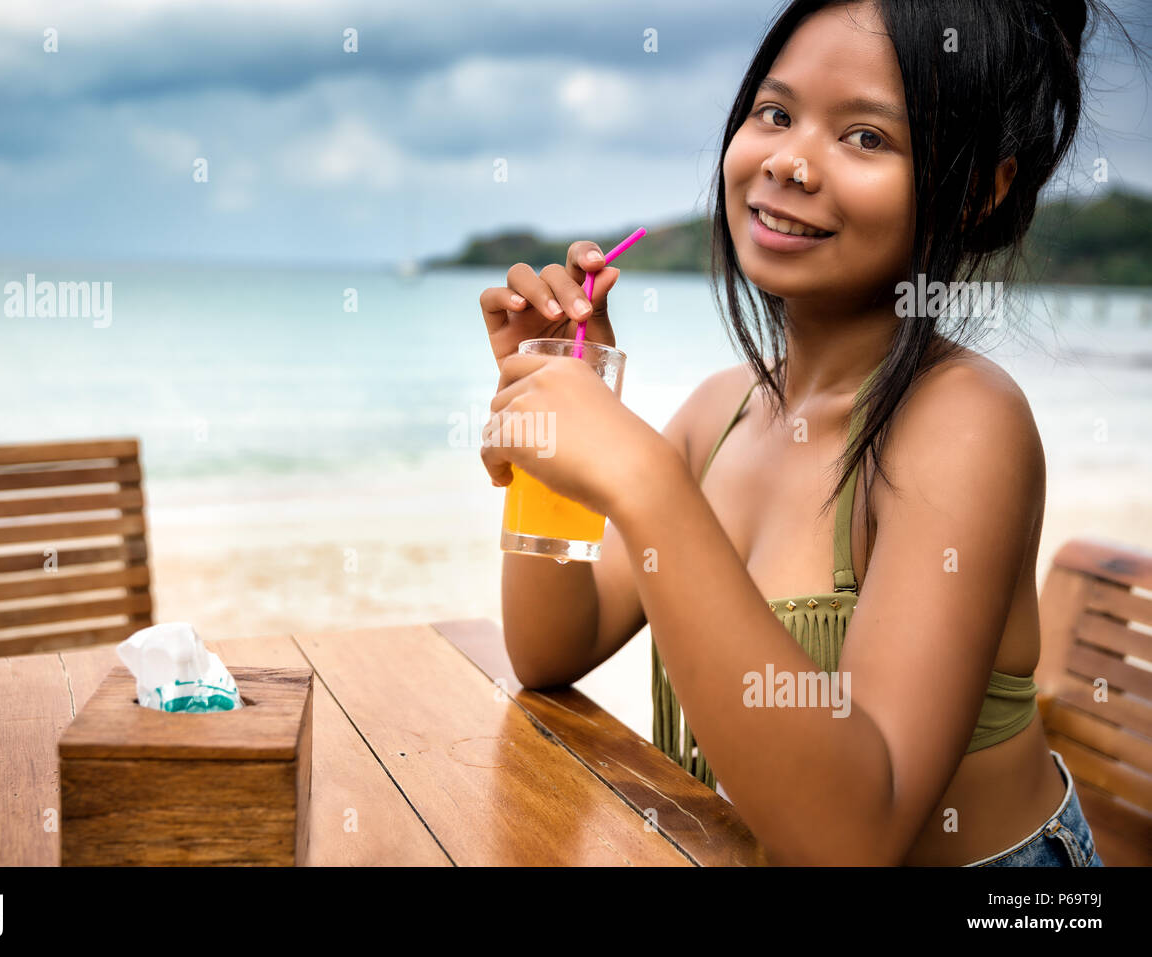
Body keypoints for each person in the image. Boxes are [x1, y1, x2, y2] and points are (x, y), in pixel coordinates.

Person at [477, 0, 1139, 865]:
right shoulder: (718, 415)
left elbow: (854, 836)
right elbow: (548, 650)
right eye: (775, 113)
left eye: (866, 138)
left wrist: (638, 477)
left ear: (981, 190)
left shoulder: (963, 425)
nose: (789, 161)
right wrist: (557, 446)